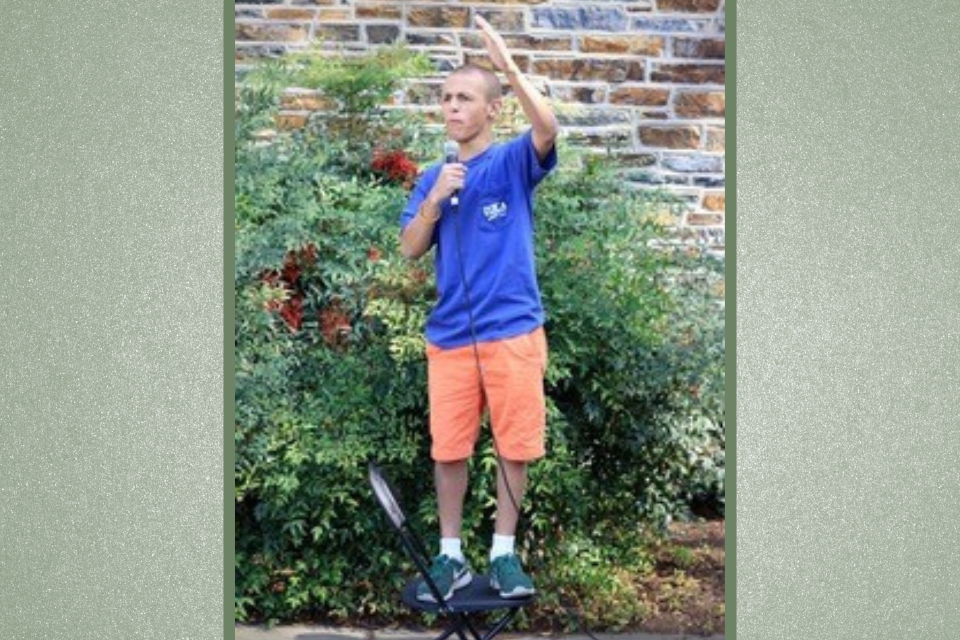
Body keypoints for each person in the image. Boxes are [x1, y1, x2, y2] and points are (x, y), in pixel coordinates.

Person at [399, 15, 560, 602]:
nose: (451, 107)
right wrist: (435, 201)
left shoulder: (514, 160)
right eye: (445, 98)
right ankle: (451, 559)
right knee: (448, 448)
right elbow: (412, 248)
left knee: (515, 446)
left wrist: (509, 66)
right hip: (450, 337)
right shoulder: (433, 177)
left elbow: (547, 126)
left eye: (464, 97)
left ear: (492, 109)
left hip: (513, 330)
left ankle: (503, 556)